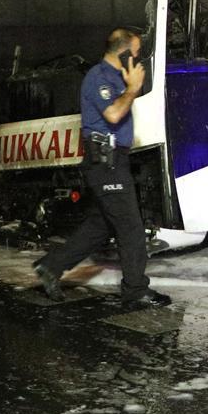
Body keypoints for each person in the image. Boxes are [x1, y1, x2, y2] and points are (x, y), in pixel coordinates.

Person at [34, 28, 171, 307]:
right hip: (105, 163)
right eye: (136, 53)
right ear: (124, 52)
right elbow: (113, 114)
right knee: (131, 227)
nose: (138, 59)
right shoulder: (98, 77)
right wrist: (132, 88)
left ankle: (51, 266)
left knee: (102, 225)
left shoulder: (117, 77)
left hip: (115, 160)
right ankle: (135, 290)